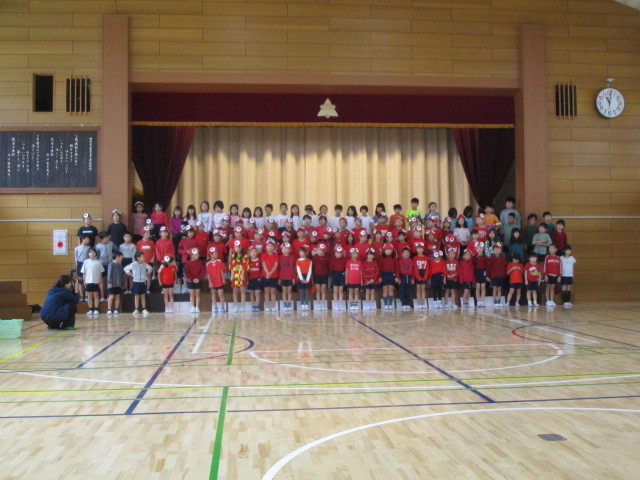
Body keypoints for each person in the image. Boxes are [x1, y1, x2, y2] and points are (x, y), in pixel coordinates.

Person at [81, 247, 103, 316]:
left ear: (96, 253)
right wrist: (84, 280)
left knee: (96, 295)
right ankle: (90, 309)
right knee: (89, 296)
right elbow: (84, 273)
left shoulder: (98, 262)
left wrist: (100, 280)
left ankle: (96, 309)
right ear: (88, 254)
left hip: (96, 281)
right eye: (90, 252)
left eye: (93, 252)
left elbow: (100, 273)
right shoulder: (86, 262)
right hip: (88, 281)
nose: (92, 253)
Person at [206, 247, 227, 315]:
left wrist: (223, 279)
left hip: (219, 280)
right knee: (213, 293)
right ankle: (215, 307)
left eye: (216, 252)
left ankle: (223, 307)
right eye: (215, 253)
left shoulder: (219, 261)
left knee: (221, 293)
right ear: (211, 254)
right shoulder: (208, 264)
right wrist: (210, 282)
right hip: (213, 281)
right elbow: (208, 274)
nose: (217, 254)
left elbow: (221, 271)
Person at [229, 243, 249, 310]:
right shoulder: (233, 255)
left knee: (242, 290)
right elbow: (232, 266)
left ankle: (242, 306)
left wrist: (242, 275)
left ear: (240, 248)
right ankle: (235, 305)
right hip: (235, 274)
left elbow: (245, 266)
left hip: (241, 274)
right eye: (235, 247)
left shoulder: (245, 256)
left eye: (237, 247)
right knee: (234, 291)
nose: (235, 248)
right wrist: (232, 275)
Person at [95, 231, 114, 301]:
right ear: (101, 239)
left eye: (108, 237)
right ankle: (103, 296)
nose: (108, 238)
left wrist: (113, 259)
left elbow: (115, 251)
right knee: (102, 281)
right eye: (106, 237)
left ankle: (109, 295)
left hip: (110, 264)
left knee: (109, 280)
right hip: (101, 265)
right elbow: (96, 256)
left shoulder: (111, 244)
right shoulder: (98, 246)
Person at [379, 244, 399, 310]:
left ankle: (390, 304)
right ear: (384, 251)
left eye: (390, 250)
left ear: (392, 251)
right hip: (384, 275)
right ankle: (385, 304)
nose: (388, 251)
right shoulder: (382, 258)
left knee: (390, 289)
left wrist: (397, 276)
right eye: (387, 250)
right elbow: (380, 268)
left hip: (392, 275)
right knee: (385, 289)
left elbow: (397, 268)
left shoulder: (394, 258)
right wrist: (380, 277)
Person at [185, 247, 204, 313]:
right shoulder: (188, 263)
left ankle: (197, 307)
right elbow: (187, 272)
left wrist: (198, 278)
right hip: (191, 280)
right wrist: (192, 279)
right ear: (191, 255)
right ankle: (192, 307)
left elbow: (202, 271)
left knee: (197, 294)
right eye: (196, 254)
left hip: (198, 280)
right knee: (192, 294)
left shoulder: (200, 262)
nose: (198, 255)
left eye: (198, 254)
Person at [278, 242, 296, 311]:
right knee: (284, 290)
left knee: (289, 290)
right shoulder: (280, 257)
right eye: (283, 249)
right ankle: (285, 304)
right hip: (283, 276)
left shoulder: (292, 257)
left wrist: (294, 277)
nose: (285, 250)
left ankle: (289, 303)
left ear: (289, 250)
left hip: (290, 276)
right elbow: (279, 268)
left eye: (286, 248)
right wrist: (279, 278)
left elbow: (294, 268)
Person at [413, 243, 429, 309]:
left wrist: (425, 276)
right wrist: (418, 276)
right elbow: (415, 268)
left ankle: (423, 303)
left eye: (421, 248)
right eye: (418, 248)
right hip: (418, 274)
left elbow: (427, 268)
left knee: (423, 289)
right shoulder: (415, 258)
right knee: (418, 289)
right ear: (416, 249)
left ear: (423, 249)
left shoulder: (426, 258)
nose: (420, 250)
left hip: (424, 274)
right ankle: (419, 303)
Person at [74, 235, 90, 301]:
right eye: (87, 239)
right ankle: (81, 296)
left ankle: (86, 295)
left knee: (87, 280)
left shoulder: (89, 248)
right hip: (80, 263)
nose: (89, 240)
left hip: (87, 263)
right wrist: (77, 264)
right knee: (80, 280)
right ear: (83, 239)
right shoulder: (77, 248)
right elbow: (76, 258)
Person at [247, 246, 263, 312]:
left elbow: (262, 269)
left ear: (257, 253)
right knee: (252, 293)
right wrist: (247, 279)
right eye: (252, 252)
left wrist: (260, 277)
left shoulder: (259, 260)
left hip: (257, 279)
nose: (253, 253)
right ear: (249, 253)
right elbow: (246, 272)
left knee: (257, 293)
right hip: (250, 279)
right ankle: (253, 306)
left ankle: (257, 306)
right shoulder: (248, 261)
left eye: (254, 251)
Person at [473, 243, 488, 307]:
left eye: (480, 248)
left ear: (483, 249)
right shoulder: (474, 257)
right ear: (476, 249)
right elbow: (473, 266)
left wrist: (487, 275)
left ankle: (482, 301)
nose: (479, 249)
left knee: (483, 287)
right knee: (478, 287)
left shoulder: (485, 257)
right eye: (478, 248)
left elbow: (487, 267)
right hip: (477, 272)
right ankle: (478, 301)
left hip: (483, 272)